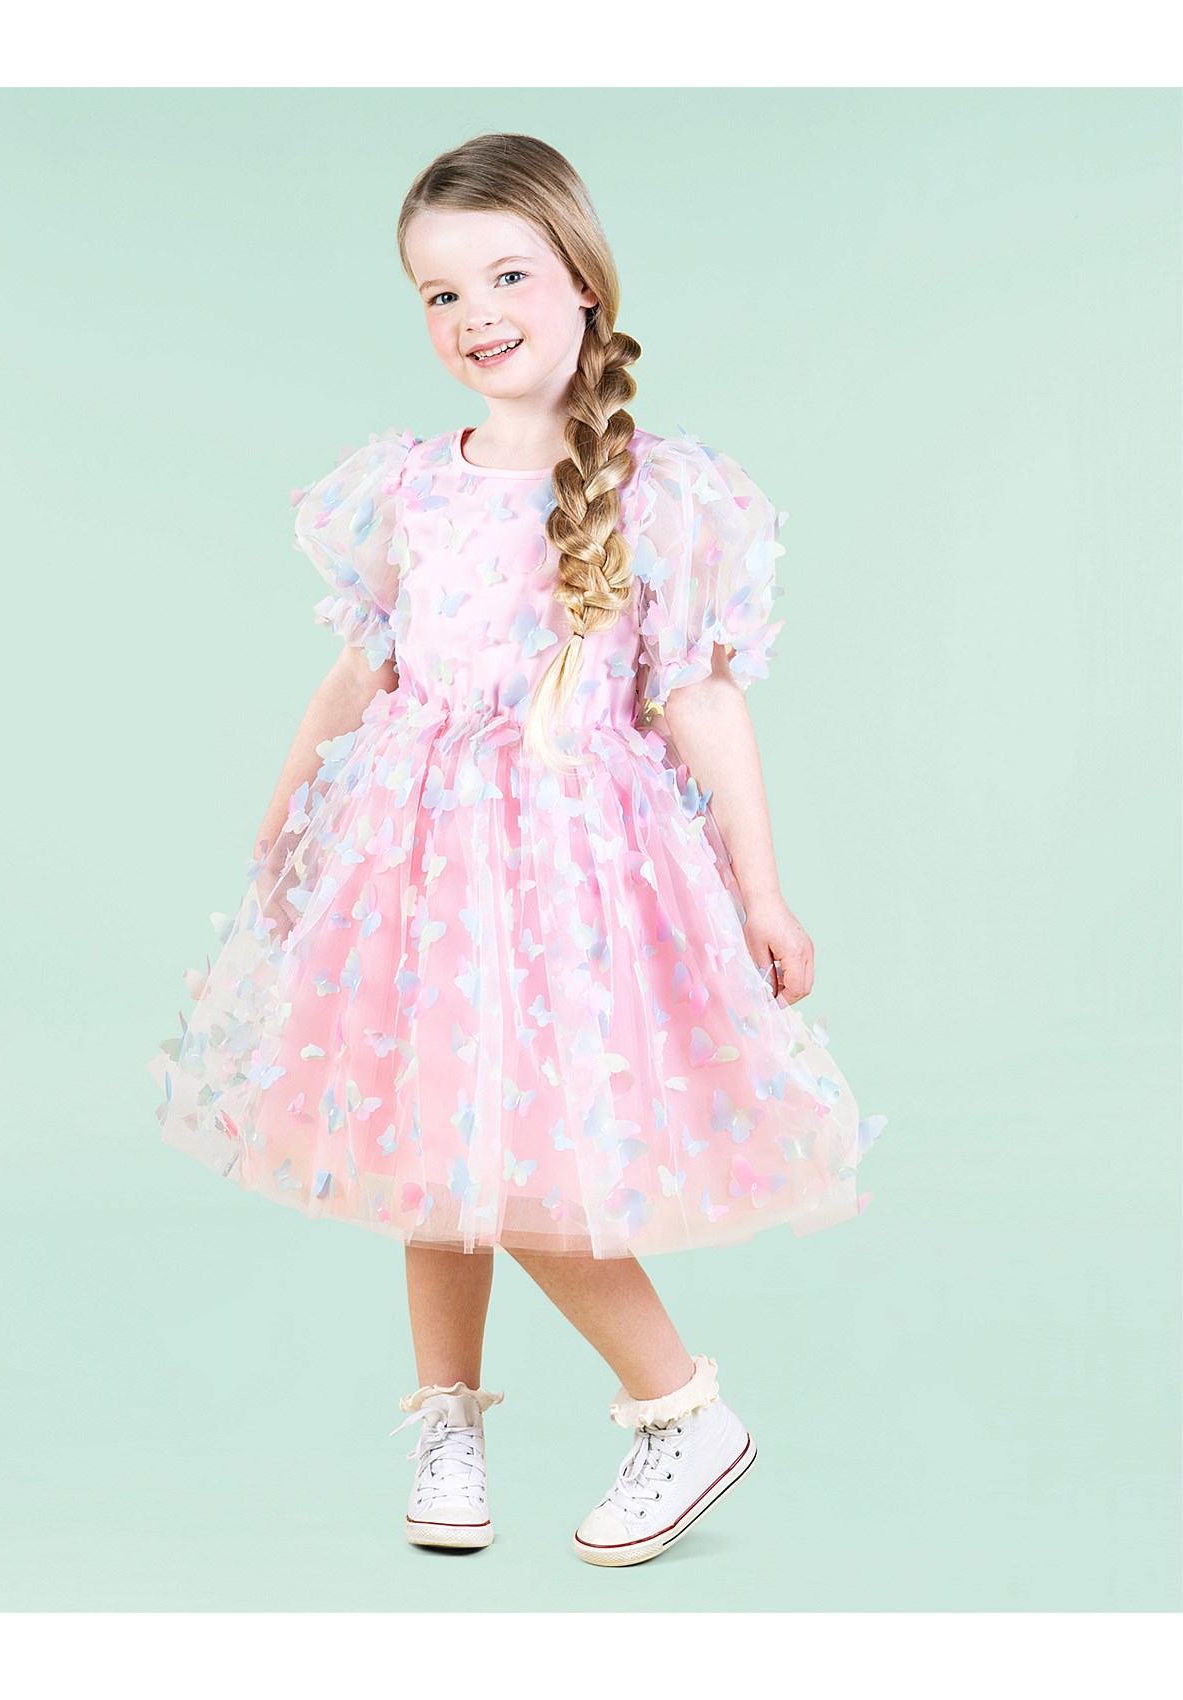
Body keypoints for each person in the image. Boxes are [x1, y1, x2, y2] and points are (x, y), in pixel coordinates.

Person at [148, 131, 887, 1569]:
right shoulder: (409, 487)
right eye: (439, 293)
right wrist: (288, 808)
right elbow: (363, 669)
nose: (474, 314)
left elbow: (700, 698)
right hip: (414, 861)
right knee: (427, 1128)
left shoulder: (658, 493)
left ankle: (681, 1410)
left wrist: (761, 888)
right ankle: (449, 1420)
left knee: (528, 1137)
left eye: (506, 276)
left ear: (582, 281)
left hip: (569, 872)